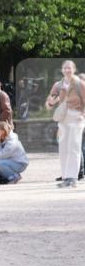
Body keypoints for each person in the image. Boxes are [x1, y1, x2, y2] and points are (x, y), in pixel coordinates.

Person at [44, 59, 85, 188]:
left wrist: (82, 116)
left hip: (76, 117)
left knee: (74, 147)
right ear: (62, 70)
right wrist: (51, 102)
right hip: (63, 118)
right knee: (63, 149)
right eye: (65, 68)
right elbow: (49, 104)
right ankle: (66, 177)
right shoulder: (58, 85)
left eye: (69, 68)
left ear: (74, 70)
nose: (67, 70)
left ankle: (73, 178)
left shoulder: (80, 84)